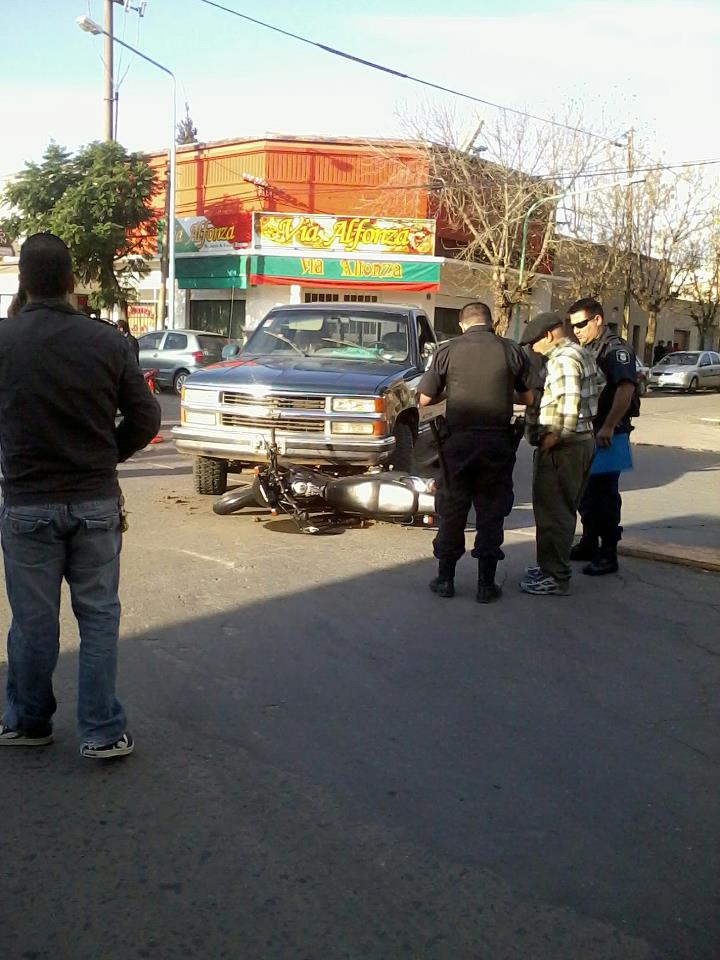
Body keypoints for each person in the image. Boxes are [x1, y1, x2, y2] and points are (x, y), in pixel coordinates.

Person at [0, 233, 161, 757]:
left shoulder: (3, 339)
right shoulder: (108, 341)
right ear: (73, 283)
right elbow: (147, 417)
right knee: (98, 617)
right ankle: (101, 730)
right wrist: (106, 456)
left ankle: (29, 722)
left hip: (26, 505)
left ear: (23, 281)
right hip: (94, 503)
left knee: (33, 623)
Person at [418, 302, 532, 603]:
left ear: (461, 324)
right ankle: (485, 584)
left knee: (453, 508)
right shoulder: (511, 350)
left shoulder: (447, 350)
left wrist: (451, 392)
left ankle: (445, 580)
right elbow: (528, 396)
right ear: (491, 322)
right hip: (497, 442)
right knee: (491, 511)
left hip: (458, 443)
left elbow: (425, 398)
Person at [518, 313, 598, 596]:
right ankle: (549, 565)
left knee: (555, 511)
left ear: (548, 336)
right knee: (556, 508)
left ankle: (556, 576)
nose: (532, 349)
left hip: (565, 445)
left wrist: (552, 437)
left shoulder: (563, 359)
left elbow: (568, 404)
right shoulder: (580, 352)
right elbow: (597, 385)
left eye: (534, 343)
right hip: (580, 440)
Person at [567, 297, 639, 575]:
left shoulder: (615, 349)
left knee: (605, 495)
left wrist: (609, 425)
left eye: (582, 324)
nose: (577, 330)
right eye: (573, 325)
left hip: (609, 431)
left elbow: (625, 388)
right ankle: (588, 542)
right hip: (589, 429)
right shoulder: (590, 348)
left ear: (598, 319)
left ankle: (608, 552)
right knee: (586, 492)